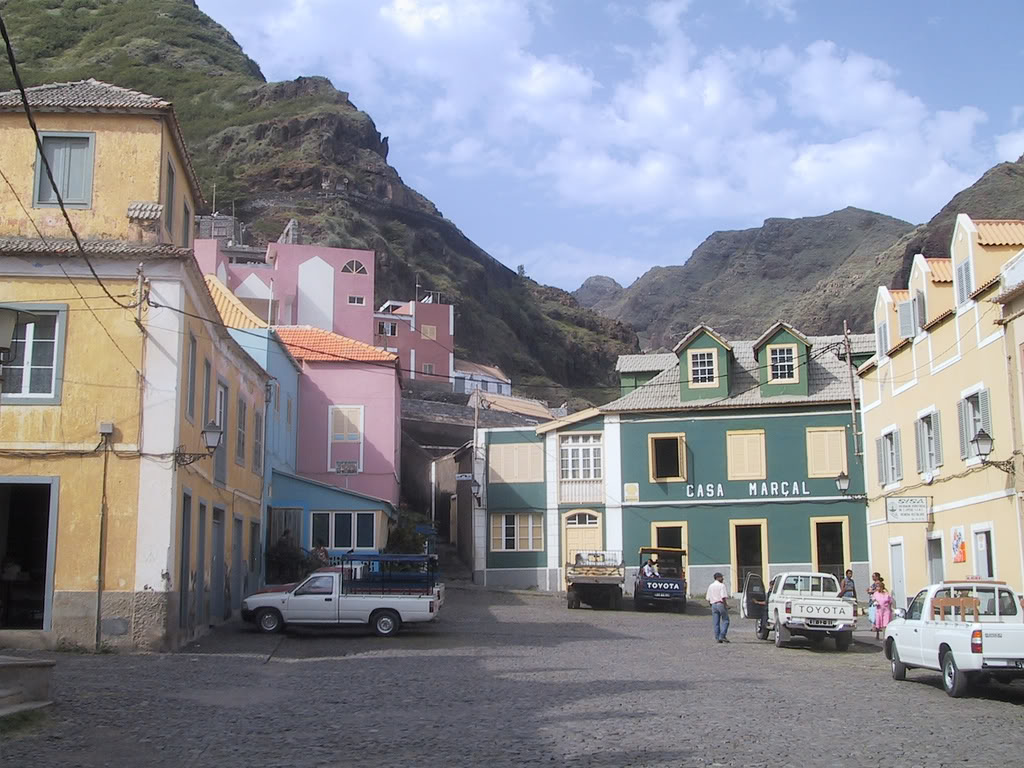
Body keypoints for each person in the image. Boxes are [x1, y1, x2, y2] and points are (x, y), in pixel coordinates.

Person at [706, 572, 730, 644]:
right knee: (726, 620)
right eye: (722, 577)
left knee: (716, 622)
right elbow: (723, 597)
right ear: (718, 578)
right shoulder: (722, 586)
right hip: (720, 604)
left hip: (713, 604)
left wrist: (711, 605)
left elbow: (708, 598)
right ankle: (722, 635)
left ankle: (717, 637)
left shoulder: (711, 586)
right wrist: (726, 605)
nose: (723, 578)